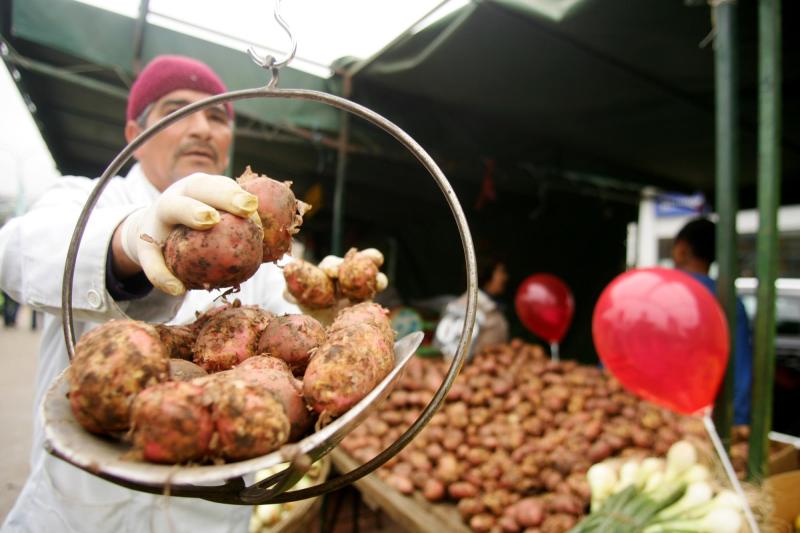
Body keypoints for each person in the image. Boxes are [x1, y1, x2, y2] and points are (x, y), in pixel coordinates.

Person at [0, 55, 300, 533]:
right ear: (133, 135)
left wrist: (325, 299)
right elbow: (16, 254)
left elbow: (295, 353)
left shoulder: (258, 252)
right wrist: (128, 239)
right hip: (75, 512)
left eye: (217, 117)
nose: (202, 127)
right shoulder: (84, 199)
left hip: (209, 515)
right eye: (176, 110)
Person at [671, 217, 753, 425]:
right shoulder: (729, 302)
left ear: (681, 249)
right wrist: (737, 427)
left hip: (643, 418)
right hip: (703, 424)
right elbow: (740, 378)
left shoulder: (652, 293)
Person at [435, 254, 510, 360]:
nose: (505, 277)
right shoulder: (465, 306)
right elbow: (451, 351)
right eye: (501, 272)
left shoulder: (491, 305)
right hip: (472, 369)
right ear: (487, 274)